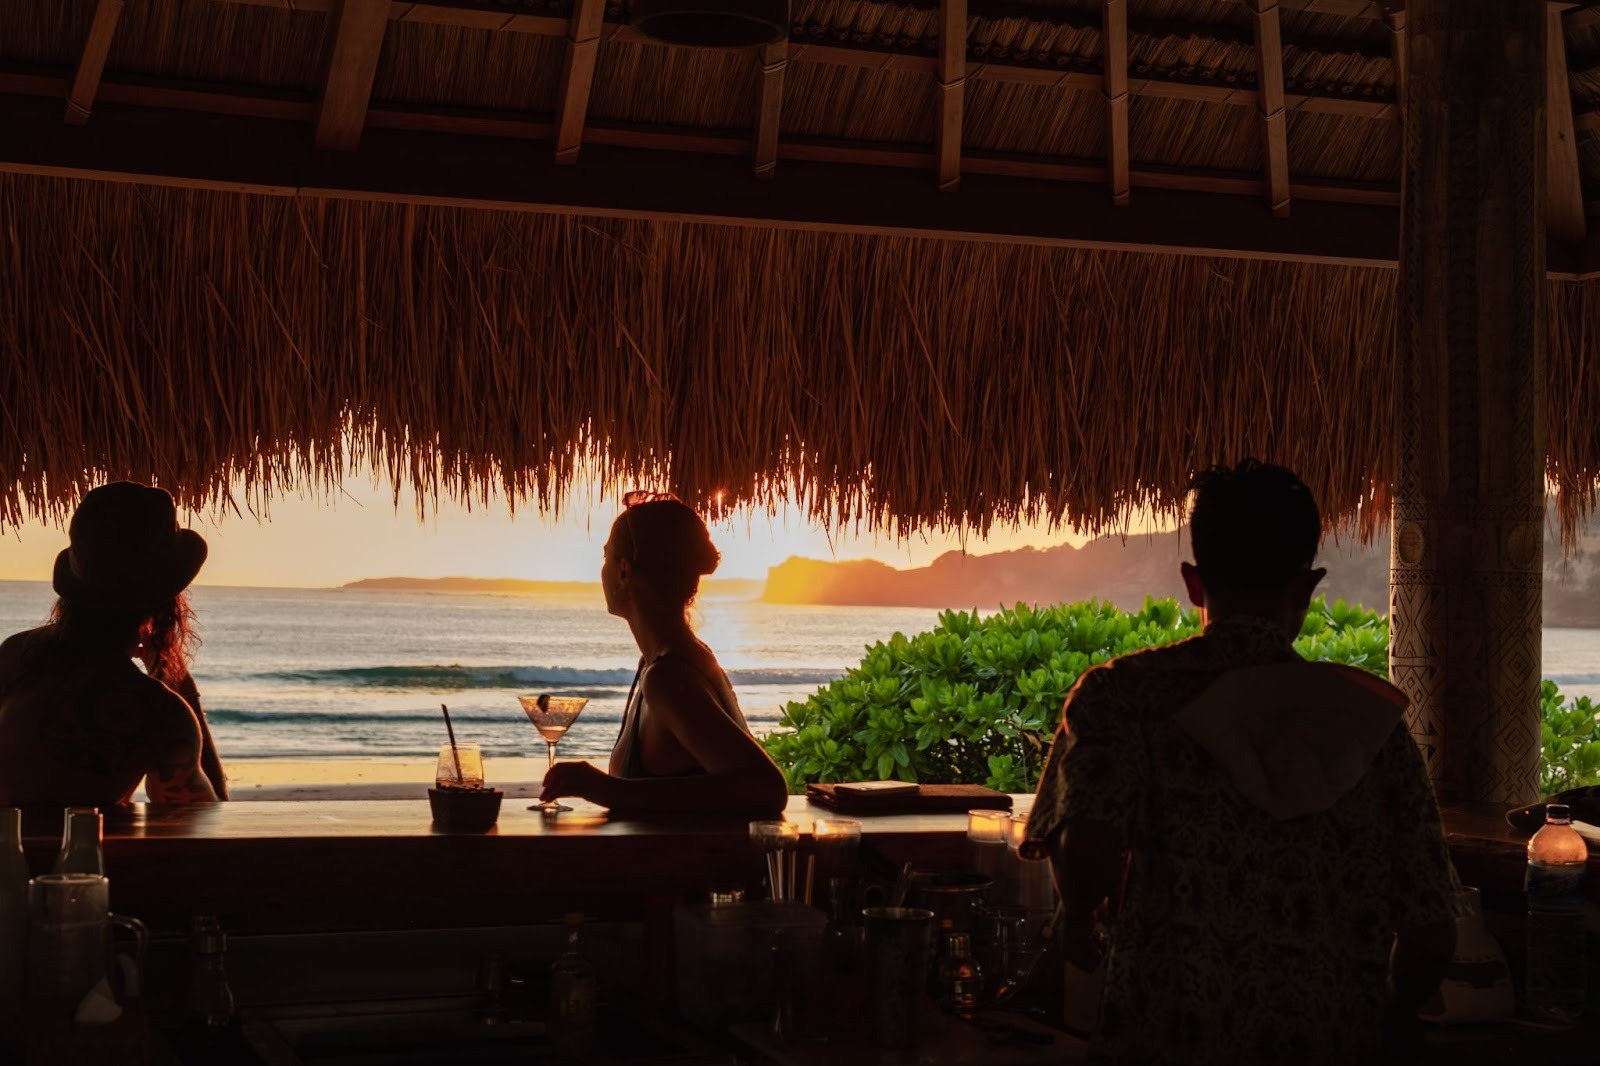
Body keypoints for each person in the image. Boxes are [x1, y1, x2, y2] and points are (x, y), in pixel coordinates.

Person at [1025, 460, 1458, 1065]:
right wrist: (1392, 1009)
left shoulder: (1124, 695)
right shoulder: (1370, 727)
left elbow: (1088, 845)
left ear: (1193, 583)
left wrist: (1076, 917)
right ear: (1306, 588)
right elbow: (1432, 933)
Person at [539, 492, 788, 815]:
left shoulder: (667, 677)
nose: (601, 571)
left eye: (606, 558)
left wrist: (604, 789)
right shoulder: (666, 660)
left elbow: (764, 788)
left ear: (624, 572)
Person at [0, 482, 225, 806]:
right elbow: (206, 827)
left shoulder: (16, 656)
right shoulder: (161, 713)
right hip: (78, 856)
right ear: (164, 605)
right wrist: (183, 688)